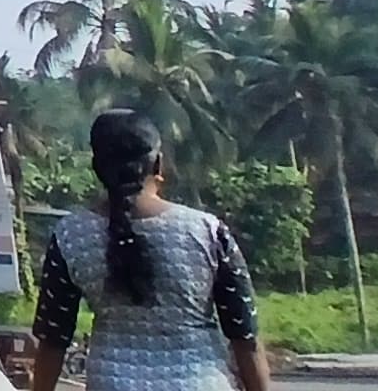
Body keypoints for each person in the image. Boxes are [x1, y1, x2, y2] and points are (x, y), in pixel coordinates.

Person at [30, 110, 268, 391]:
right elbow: (245, 338)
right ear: (158, 164)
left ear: (97, 167)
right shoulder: (207, 231)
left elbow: (53, 341)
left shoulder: (71, 236)